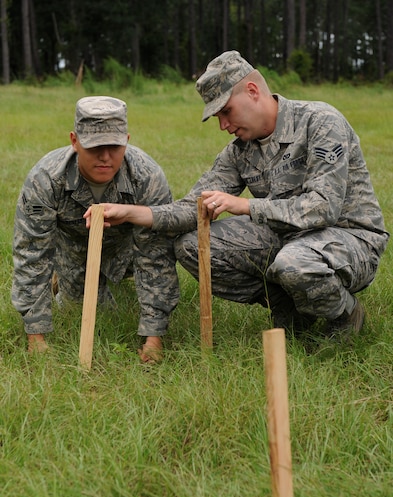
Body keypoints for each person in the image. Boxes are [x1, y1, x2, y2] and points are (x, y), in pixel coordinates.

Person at [84, 52, 389, 340]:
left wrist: (244, 205)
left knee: (294, 263)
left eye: (226, 111)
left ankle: (345, 314)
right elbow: (194, 209)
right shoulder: (240, 151)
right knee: (191, 246)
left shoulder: (320, 122)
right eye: (217, 116)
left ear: (253, 90)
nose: (223, 125)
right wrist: (130, 212)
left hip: (348, 239)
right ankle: (290, 307)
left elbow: (323, 208)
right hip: (287, 242)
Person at [12, 95, 179, 362]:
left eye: (114, 146)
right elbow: (32, 254)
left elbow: (156, 256)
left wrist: (153, 338)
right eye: (94, 147)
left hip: (128, 250)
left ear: (127, 140)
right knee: (84, 308)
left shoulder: (147, 177)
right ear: (74, 141)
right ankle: (64, 277)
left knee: (152, 261)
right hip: (76, 249)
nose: (105, 157)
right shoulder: (45, 179)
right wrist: (36, 336)